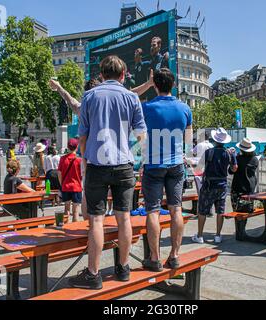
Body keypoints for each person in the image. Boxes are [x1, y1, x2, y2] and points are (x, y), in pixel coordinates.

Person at [70, 55, 147, 289]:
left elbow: (82, 136)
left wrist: (85, 158)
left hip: (96, 164)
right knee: (124, 218)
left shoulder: (89, 96)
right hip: (124, 165)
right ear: (123, 75)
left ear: (101, 75)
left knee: (96, 221)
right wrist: (134, 156)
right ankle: (123, 268)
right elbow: (141, 135)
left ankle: (93, 274)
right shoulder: (132, 97)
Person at [141, 68, 193, 271]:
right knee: (176, 209)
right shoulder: (185, 108)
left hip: (153, 165)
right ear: (173, 85)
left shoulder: (147, 108)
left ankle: (154, 258)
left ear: (155, 85)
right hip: (176, 165)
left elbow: (139, 137)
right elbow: (188, 140)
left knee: (153, 211)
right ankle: (175, 255)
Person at [191, 128, 238, 244]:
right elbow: (234, 168)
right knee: (220, 210)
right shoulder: (229, 153)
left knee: (202, 210)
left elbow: (199, 167)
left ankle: (200, 236)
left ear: (215, 140)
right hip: (222, 185)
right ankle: (217, 236)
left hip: (208, 185)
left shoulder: (209, 152)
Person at [231, 138, 260, 213]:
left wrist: (233, 157)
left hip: (238, 188)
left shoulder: (238, 159)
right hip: (250, 187)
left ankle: (239, 224)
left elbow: (230, 171)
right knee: (247, 209)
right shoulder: (255, 159)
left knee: (238, 211)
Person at [58, 139, 83, 222]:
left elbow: (59, 173)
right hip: (76, 186)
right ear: (77, 147)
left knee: (66, 209)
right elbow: (82, 174)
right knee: (76, 211)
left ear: (68, 147)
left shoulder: (62, 159)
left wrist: (62, 184)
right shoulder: (79, 160)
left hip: (65, 186)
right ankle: (74, 229)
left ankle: (65, 226)